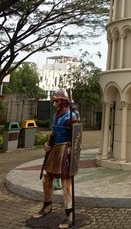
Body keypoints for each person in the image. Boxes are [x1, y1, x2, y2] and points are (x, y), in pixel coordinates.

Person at [31, 89, 80, 228]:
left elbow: (77, 135)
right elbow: (54, 132)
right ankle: (47, 207)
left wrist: (72, 149)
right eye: (54, 101)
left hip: (65, 150)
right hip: (54, 151)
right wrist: (49, 143)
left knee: (66, 183)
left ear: (64, 101)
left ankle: (70, 215)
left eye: (57, 101)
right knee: (47, 180)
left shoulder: (72, 115)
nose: (55, 104)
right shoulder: (56, 116)